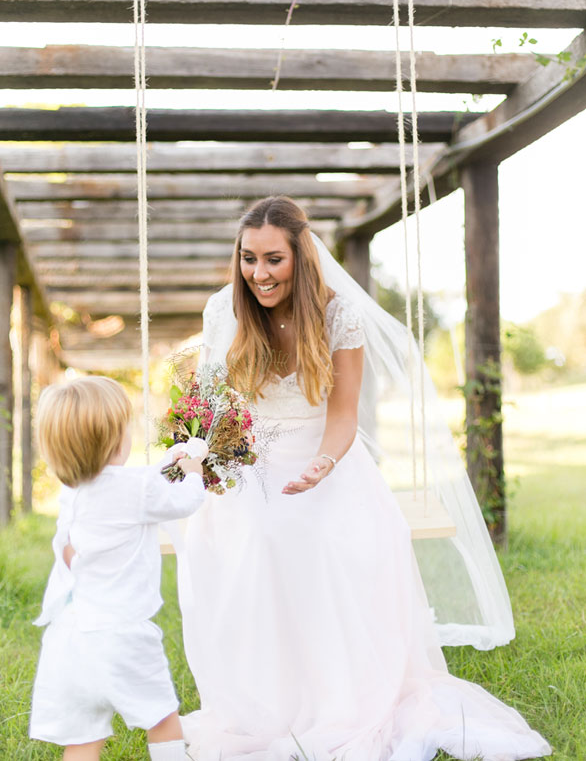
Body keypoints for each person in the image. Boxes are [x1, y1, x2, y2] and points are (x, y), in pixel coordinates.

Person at [175, 195, 551, 761]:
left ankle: (339, 694)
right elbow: (211, 408)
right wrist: (199, 455)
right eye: (249, 259)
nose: (259, 273)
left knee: (331, 539)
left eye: (273, 259)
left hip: (324, 456)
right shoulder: (224, 311)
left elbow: (344, 415)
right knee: (247, 539)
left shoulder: (336, 314)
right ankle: (262, 699)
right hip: (250, 459)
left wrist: (322, 467)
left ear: (300, 256)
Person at [30, 376, 205, 761]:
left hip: (72, 637)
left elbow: (75, 548)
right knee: (162, 719)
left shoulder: (72, 494)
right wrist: (194, 469)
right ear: (114, 441)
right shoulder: (135, 489)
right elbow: (185, 502)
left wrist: (164, 463)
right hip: (124, 638)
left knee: (82, 739)